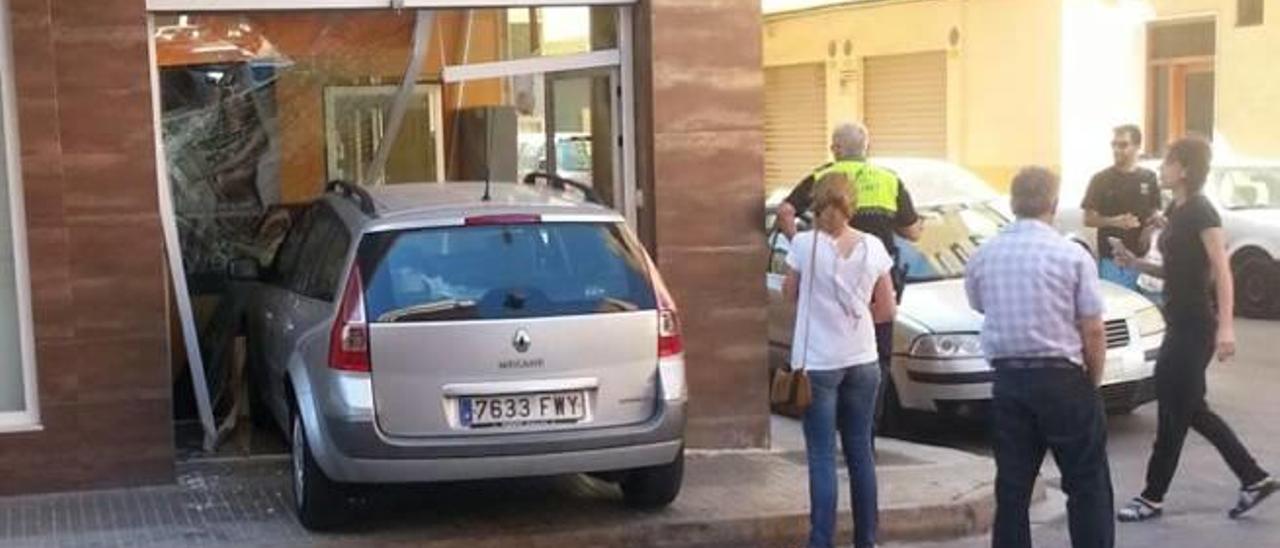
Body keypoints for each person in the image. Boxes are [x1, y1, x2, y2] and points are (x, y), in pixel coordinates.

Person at [1112, 136, 1276, 522]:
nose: (1161, 168)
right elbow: (1178, 268)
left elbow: (1220, 270)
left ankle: (1152, 496)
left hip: (1195, 326)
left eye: (1168, 161)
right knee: (1190, 409)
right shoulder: (1178, 209)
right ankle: (1253, 478)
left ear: (1184, 169)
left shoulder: (1202, 211)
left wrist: (1226, 329)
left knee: (1173, 410)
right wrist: (1135, 262)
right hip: (1179, 321)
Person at [965, 167, 1114, 548]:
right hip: (1063, 377)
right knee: (1087, 484)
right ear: (1054, 202)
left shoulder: (985, 254)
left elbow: (979, 304)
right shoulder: (1071, 255)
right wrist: (1091, 381)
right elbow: (1093, 329)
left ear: (1013, 203)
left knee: (1012, 490)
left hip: (1009, 380)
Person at [776, 122, 923, 428]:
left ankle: (837, 422)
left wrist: (799, 245)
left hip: (824, 276)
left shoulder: (822, 177)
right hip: (874, 279)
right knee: (876, 356)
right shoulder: (889, 180)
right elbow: (912, 231)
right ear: (866, 148)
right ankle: (867, 425)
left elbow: (785, 212)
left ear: (836, 148)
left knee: (828, 357)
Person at [783, 172, 897, 548]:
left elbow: (789, 295)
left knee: (821, 456)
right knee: (860, 451)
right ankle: (867, 540)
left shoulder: (802, 245)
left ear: (817, 202)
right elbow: (886, 309)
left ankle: (821, 541)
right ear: (853, 204)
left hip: (818, 362)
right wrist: (855, 318)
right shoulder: (874, 246)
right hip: (863, 359)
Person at [1081, 125, 1162, 300]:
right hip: (1114, 261)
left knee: (1146, 316)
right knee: (1118, 309)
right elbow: (1088, 219)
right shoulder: (1100, 180)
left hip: (1145, 262)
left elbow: (1154, 210)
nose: (1117, 150)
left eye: (1123, 145)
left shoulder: (1149, 177)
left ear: (1137, 147)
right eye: (1114, 145)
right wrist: (1115, 221)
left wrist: (1150, 228)